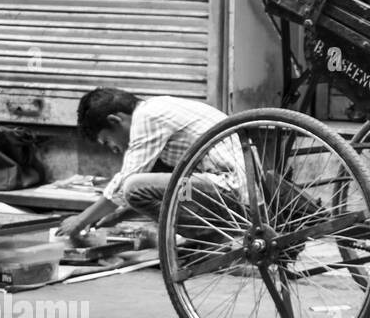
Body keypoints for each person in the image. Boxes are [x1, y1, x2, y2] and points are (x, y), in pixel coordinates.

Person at [57, 88, 241, 244]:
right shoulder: (159, 108)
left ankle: (206, 239)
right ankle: (208, 235)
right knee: (146, 185)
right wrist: (118, 216)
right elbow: (175, 186)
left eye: (107, 141)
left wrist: (81, 220)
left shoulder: (147, 117)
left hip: (227, 185)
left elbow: (125, 183)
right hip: (229, 186)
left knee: (132, 186)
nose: (114, 149)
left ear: (115, 120)